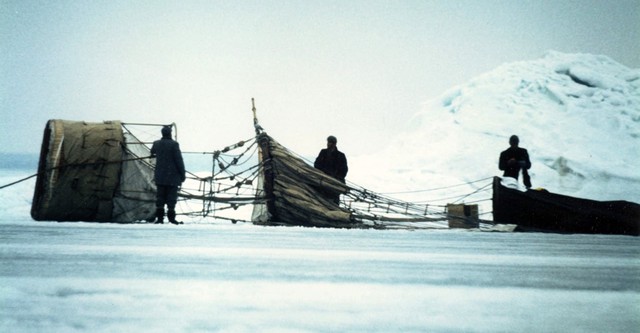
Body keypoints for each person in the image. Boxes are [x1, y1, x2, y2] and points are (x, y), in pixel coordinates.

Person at [150, 125, 186, 224]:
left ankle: (160, 219)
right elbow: (179, 160)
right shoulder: (174, 144)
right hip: (172, 177)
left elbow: (152, 152)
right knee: (171, 198)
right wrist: (183, 174)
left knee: (160, 198)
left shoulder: (156, 144)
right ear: (170, 133)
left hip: (160, 176)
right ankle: (171, 219)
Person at [314, 135, 348, 204]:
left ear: (335, 144)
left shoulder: (340, 155)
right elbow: (316, 164)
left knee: (333, 202)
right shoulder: (323, 152)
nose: (329, 144)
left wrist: (336, 177)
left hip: (334, 183)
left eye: (331, 142)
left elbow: (344, 170)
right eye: (328, 142)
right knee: (320, 200)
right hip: (322, 181)